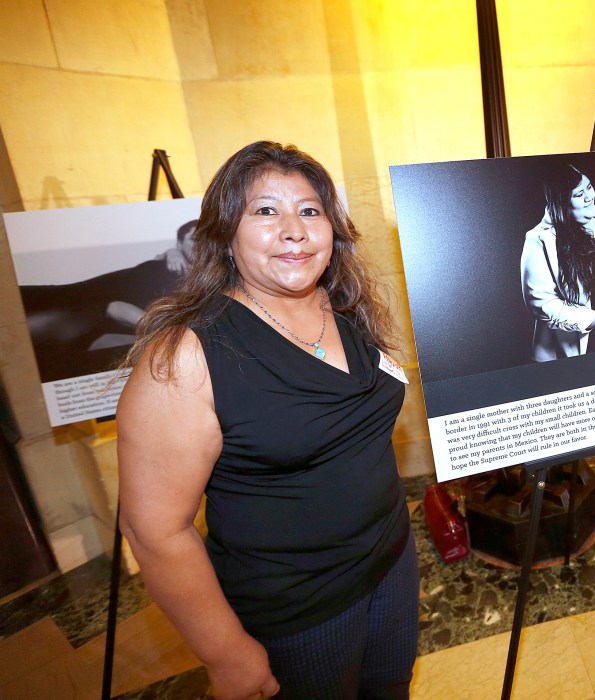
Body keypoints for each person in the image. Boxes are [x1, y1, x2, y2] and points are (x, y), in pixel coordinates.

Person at [117, 141, 418, 699]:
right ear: (225, 233)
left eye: (310, 210)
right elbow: (154, 531)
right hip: (299, 609)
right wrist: (227, 653)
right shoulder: (185, 357)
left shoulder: (345, 305)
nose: (295, 230)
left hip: (391, 562)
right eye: (265, 211)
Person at [19, 219, 198, 383]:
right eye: (194, 238)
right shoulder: (165, 270)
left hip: (87, 316)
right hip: (80, 301)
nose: (200, 244)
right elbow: (115, 307)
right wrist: (166, 333)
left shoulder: (199, 274)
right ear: (180, 243)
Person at [521, 164, 595, 360]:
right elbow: (541, 303)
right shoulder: (539, 239)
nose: (589, 197)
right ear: (562, 202)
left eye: (589, 187)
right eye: (579, 195)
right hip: (582, 348)